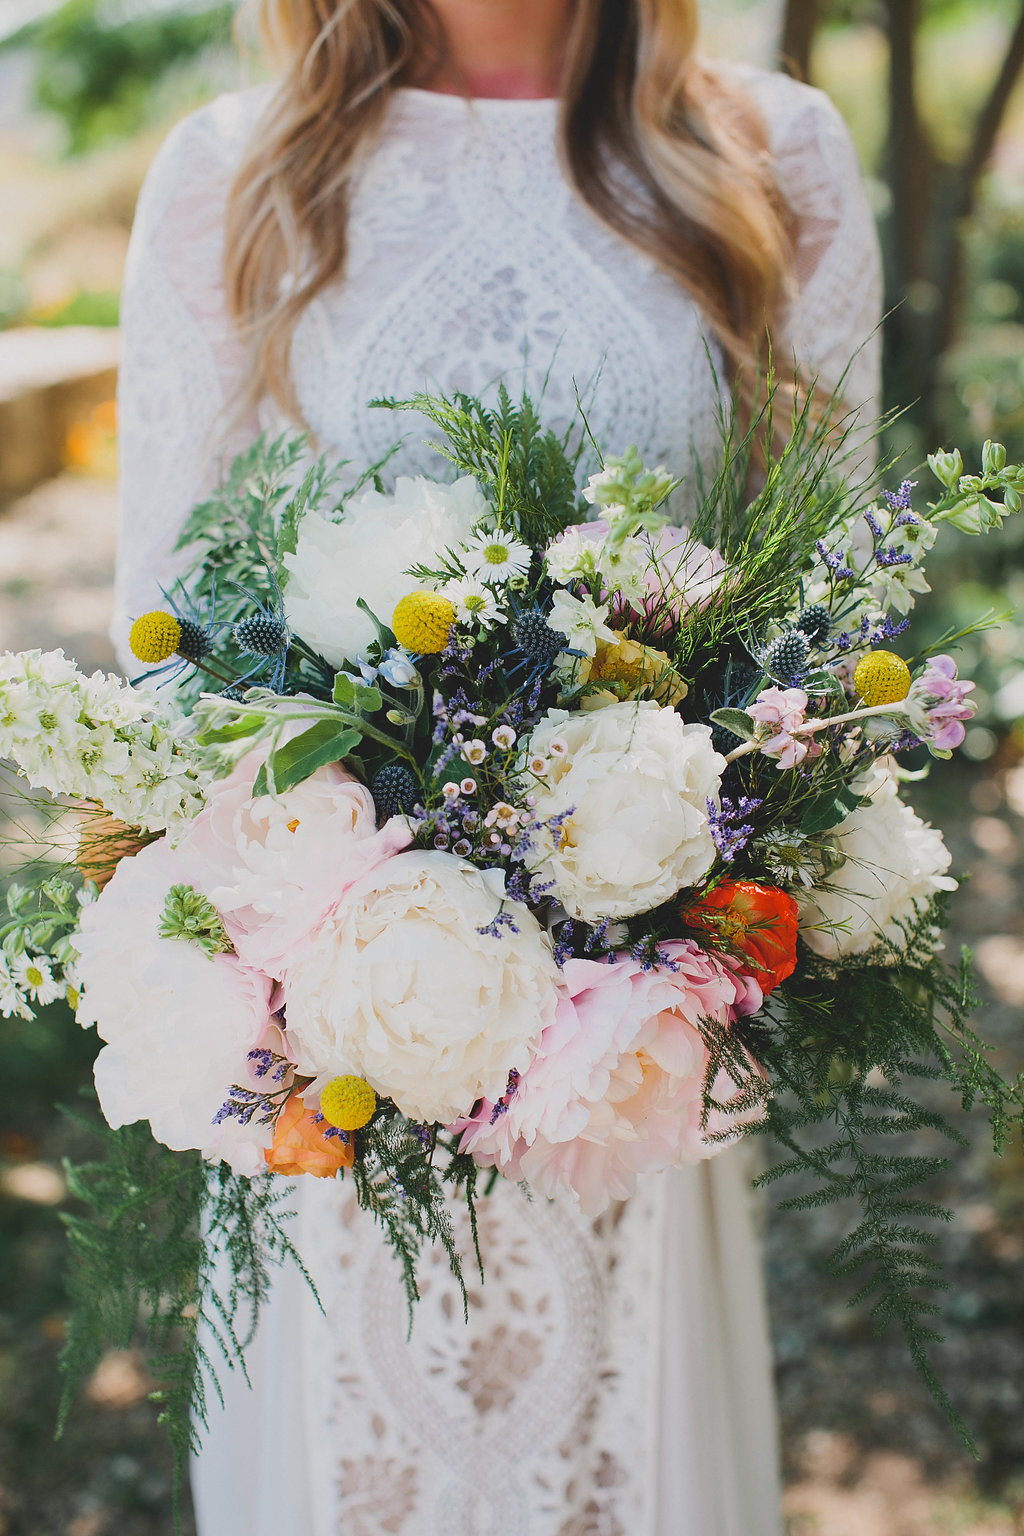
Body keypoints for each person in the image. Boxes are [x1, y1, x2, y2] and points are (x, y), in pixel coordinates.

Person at [112, 2, 882, 1531]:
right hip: (334, 1050)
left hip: (640, 1046)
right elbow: (171, 644)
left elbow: (828, 610)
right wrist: (310, 955)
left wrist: (664, 880)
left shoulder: (770, 155)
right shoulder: (237, 173)